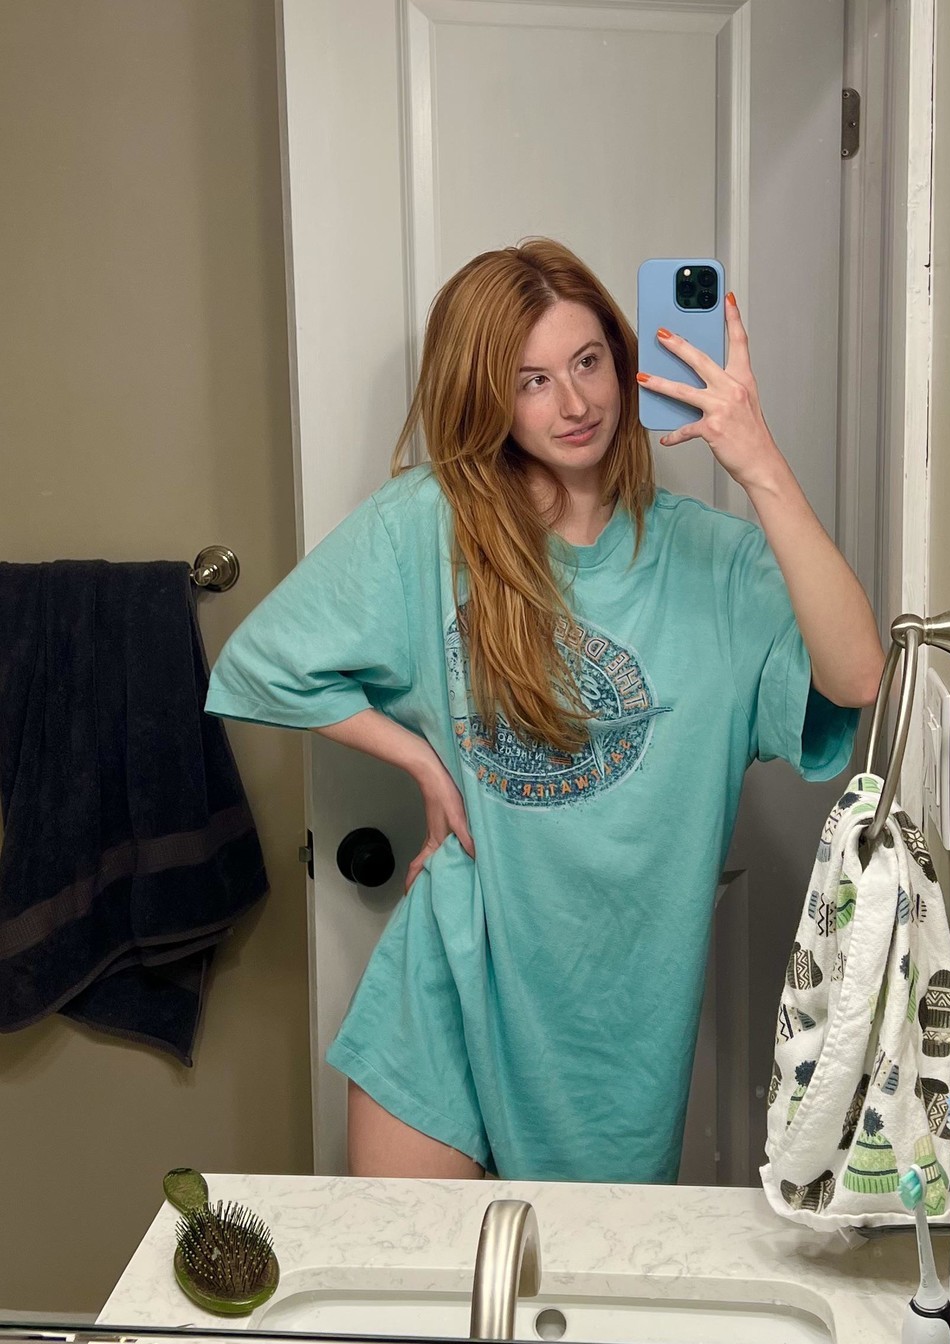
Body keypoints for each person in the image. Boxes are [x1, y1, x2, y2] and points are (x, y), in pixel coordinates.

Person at [204, 238, 885, 1186]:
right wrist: (421, 760)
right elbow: (263, 663)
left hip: (615, 1030)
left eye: (588, 361)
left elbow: (857, 676)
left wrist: (757, 460)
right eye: (532, 381)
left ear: (623, 358)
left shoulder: (716, 563)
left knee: (580, 1277)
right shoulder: (430, 525)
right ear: (488, 396)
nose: (574, 403)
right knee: (412, 1275)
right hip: (448, 981)